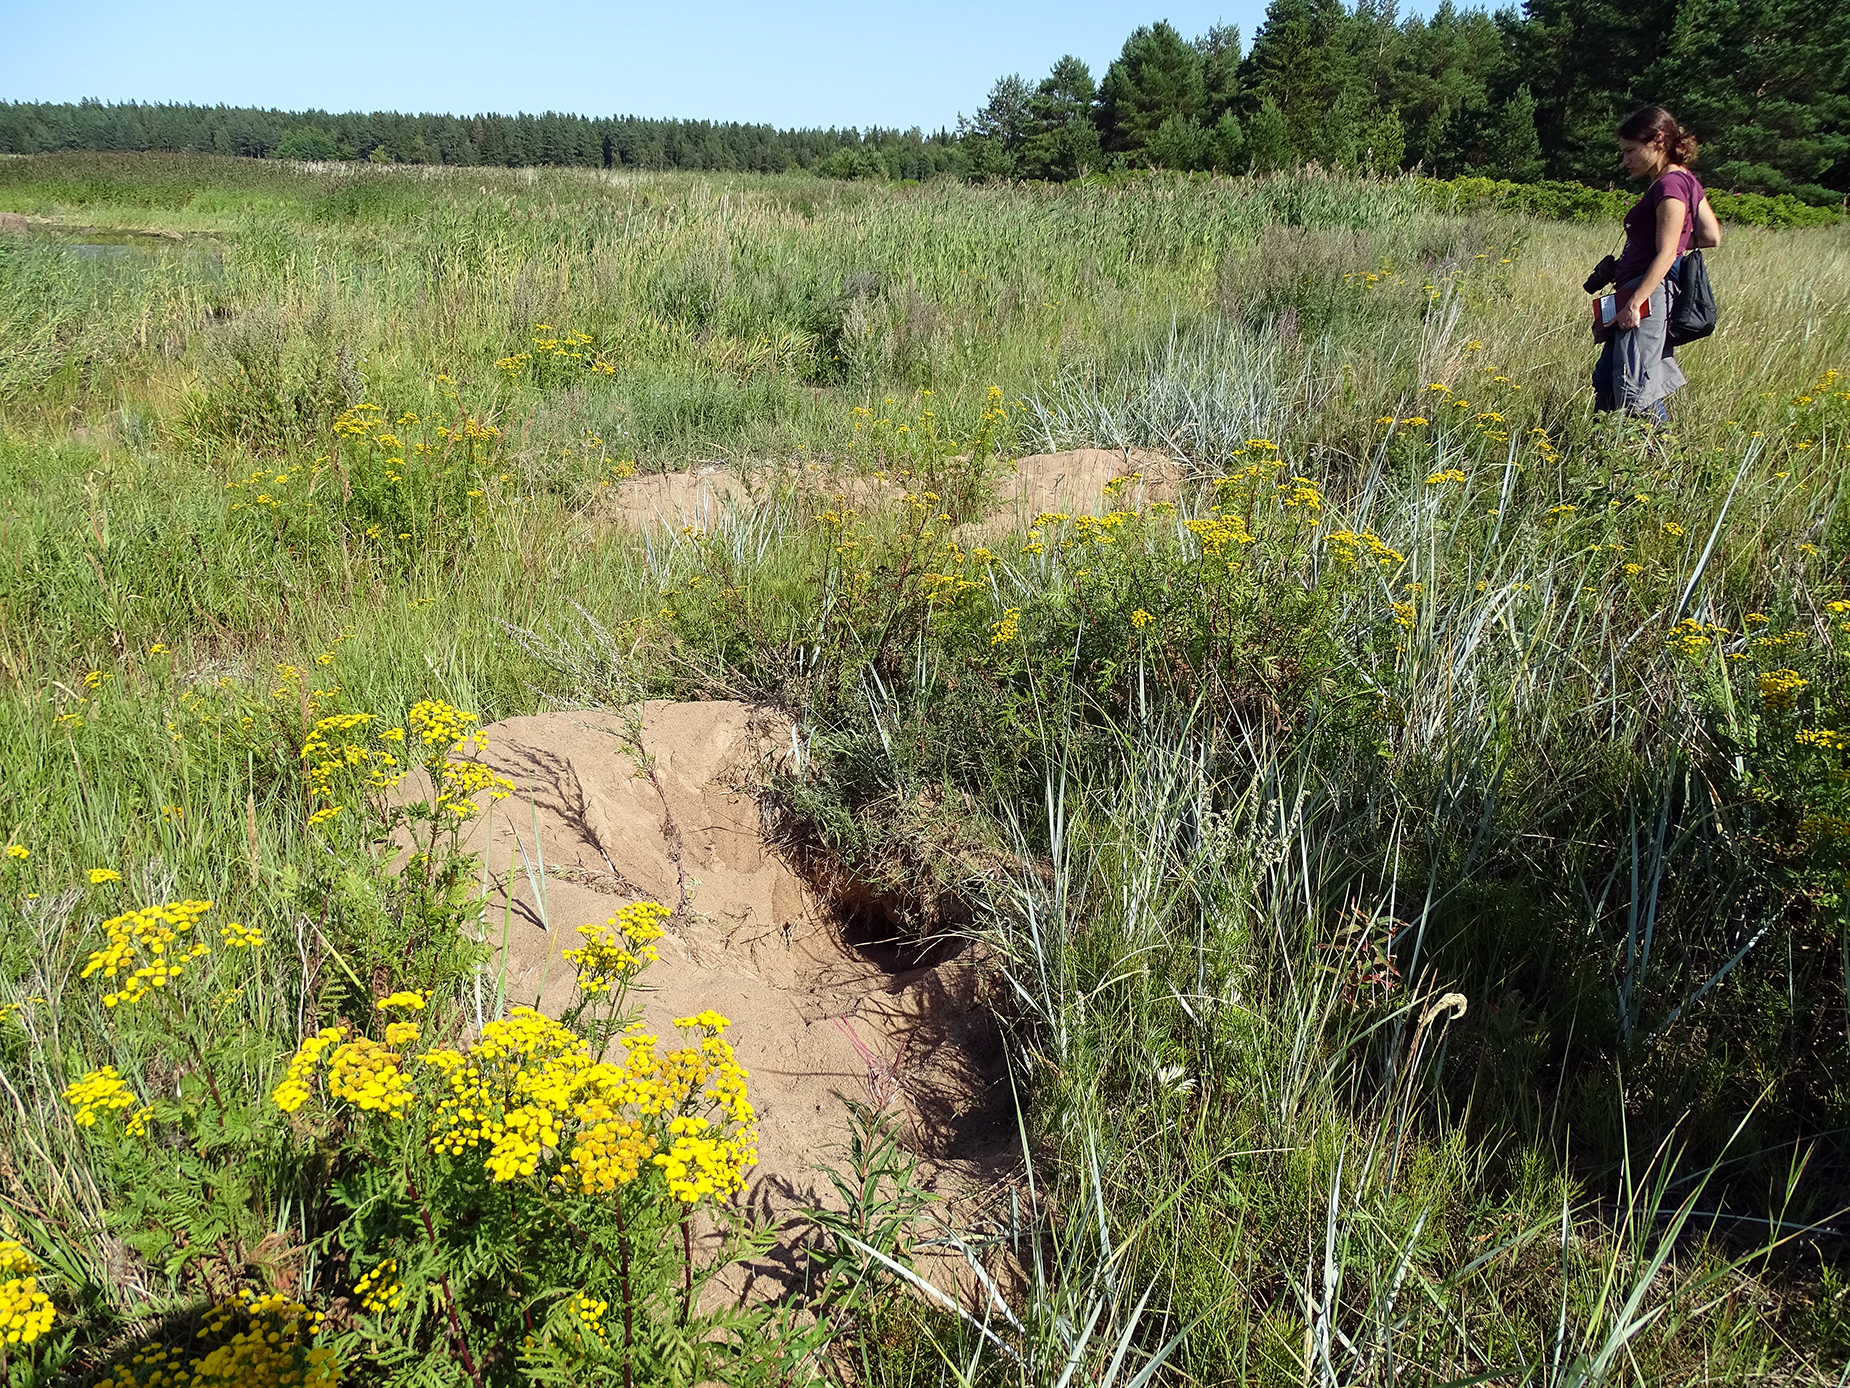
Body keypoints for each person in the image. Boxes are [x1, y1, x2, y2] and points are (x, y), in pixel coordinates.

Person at [1586, 106, 1723, 420]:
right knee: (1608, 377)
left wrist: (1635, 303)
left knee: (1636, 389)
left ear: (1659, 140)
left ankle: (1659, 461)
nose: (1625, 160)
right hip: (1642, 290)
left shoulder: (1669, 185)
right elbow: (1710, 235)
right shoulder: (1685, 180)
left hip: (1647, 295)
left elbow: (1666, 253)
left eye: (1631, 151)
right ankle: (1604, 450)